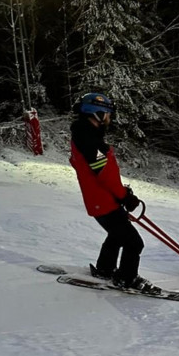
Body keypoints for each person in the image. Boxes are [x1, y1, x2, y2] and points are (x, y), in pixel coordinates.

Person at [70, 92, 156, 292]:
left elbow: (98, 171)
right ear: (97, 113)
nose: (109, 118)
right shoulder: (88, 140)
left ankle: (105, 269)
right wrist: (124, 196)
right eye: (107, 114)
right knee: (134, 243)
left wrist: (122, 193)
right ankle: (127, 278)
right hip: (103, 201)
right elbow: (104, 174)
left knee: (117, 235)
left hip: (103, 199)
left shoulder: (86, 136)